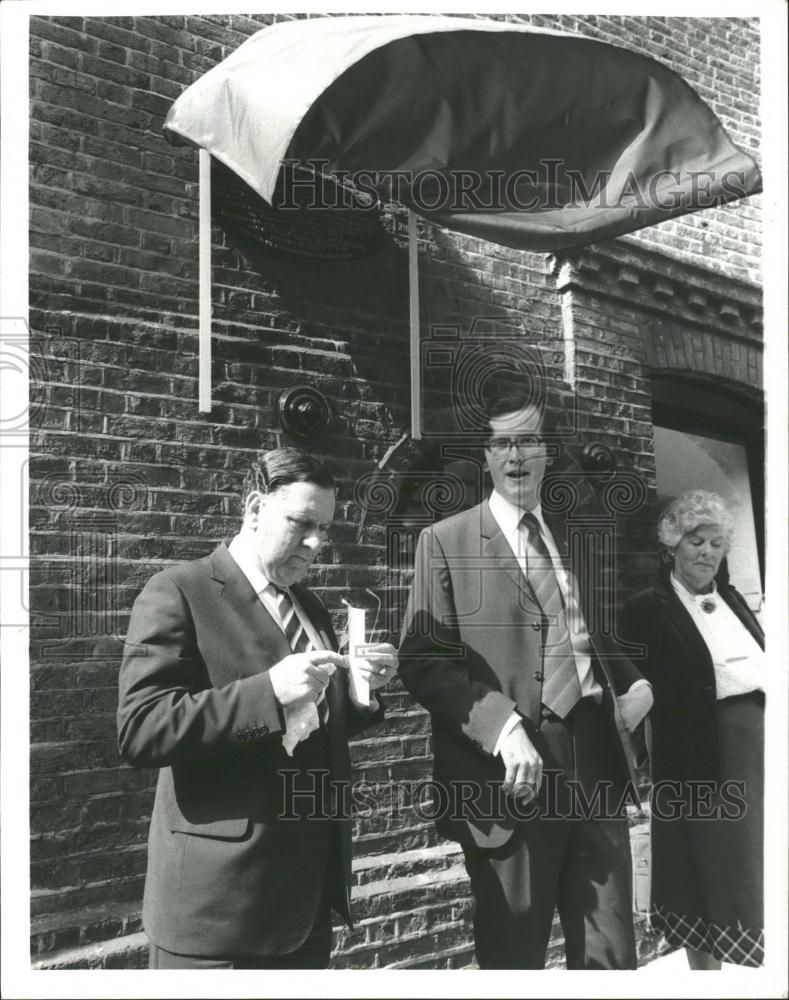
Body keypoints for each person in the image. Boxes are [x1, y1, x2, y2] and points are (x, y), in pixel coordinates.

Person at [398, 390, 653, 969]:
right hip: (510, 776)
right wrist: (500, 725)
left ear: (548, 453)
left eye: (529, 441)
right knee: (515, 955)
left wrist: (635, 685)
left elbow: (594, 634)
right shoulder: (445, 542)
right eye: (501, 443)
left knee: (612, 957)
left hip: (596, 765)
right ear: (484, 456)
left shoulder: (578, 536)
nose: (516, 456)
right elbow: (424, 661)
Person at [117, 447, 397, 969]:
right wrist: (267, 692)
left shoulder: (308, 605)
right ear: (253, 509)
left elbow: (307, 722)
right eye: (302, 524)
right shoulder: (179, 591)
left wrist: (363, 690)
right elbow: (142, 729)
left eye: (325, 530)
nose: (316, 544)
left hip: (305, 901)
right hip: (220, 911)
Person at [620, 490, 764, 969]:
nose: (707, 552)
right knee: (701, 877)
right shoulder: (647, 607)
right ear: (672, 546)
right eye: (696, 540)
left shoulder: (735, 599)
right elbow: (632, 688)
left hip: (759, 754)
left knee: (757, 870)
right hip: (698, 760)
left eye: (717, 543)